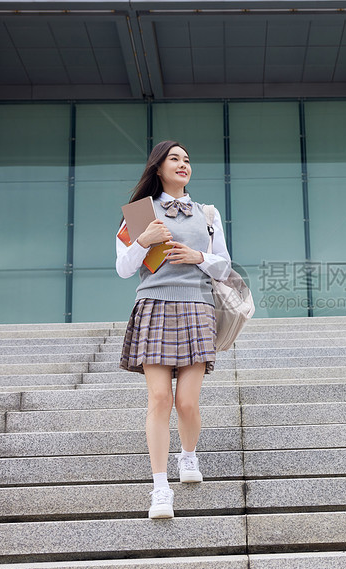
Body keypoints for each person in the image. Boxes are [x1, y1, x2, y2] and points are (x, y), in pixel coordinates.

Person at [115, 141, 231, 519]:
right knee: (159, 399)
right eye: (175, 159)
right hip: (154, 306)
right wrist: (143, 241)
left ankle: (189, 456)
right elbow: (124, 268)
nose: (183, 165)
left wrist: (199, 257)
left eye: (187, 159)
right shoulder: (139, 212)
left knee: (187, 402)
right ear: (158, 168)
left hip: (197, 307)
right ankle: (160, 488)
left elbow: (224, 266)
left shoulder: (208, 213)